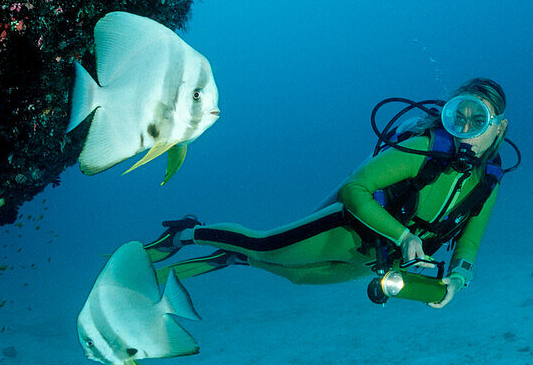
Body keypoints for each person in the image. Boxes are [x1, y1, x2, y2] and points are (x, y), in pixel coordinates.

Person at [144, 79, 512, 307]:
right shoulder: (423, 147)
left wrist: (456, 283)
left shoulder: (487, 184)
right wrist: (402, 235)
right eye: (457, 118)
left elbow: (468, 245)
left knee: (299, 277)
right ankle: (186, 232)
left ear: (499, 128)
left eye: (477, 121)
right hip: (345, 228)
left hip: (377, 259)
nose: (465, 131)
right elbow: (354, 188)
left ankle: (232, 257)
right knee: (264, 245)